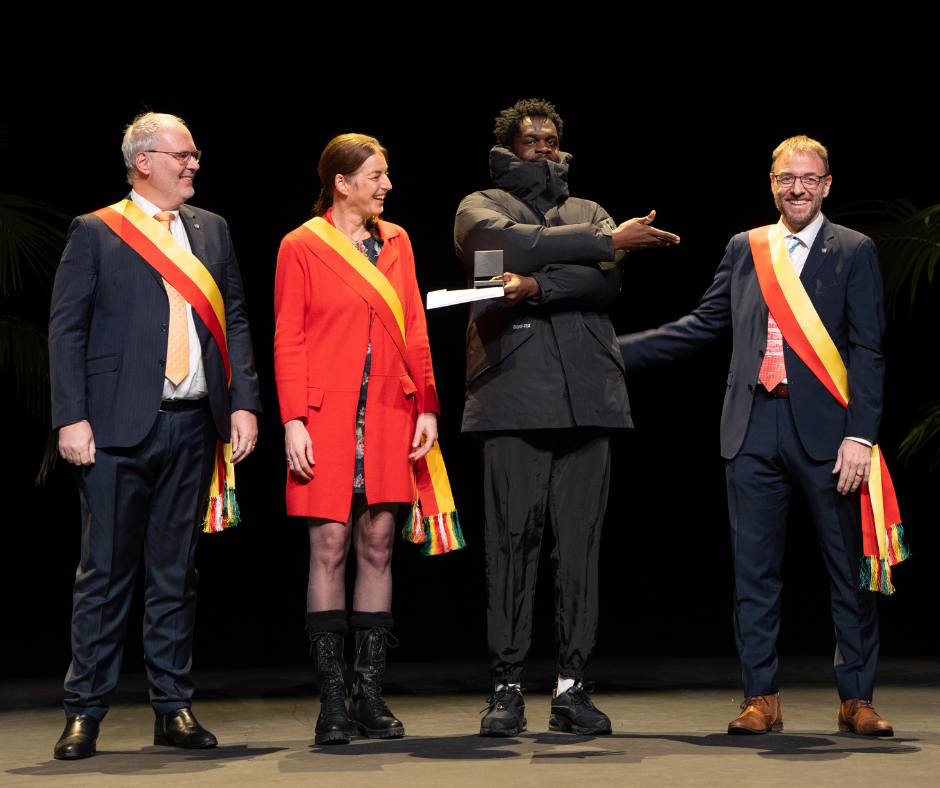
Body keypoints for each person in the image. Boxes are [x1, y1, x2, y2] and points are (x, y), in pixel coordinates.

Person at [619, 135, 898, 736]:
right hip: (750, 428)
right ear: (771, 184)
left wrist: (861, 437)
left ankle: (856, 699)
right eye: (786, 178)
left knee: (847, 570)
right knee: (754, 573)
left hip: (830, 436)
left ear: (827, 185)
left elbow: (869, 352)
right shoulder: (746, 247)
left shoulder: (855, 249)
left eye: (809, 178)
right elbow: (701, 325)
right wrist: (611, 354)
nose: (797, 188)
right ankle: (760, 698)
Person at [454, 98, 680, 737]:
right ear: (509, 147)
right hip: (512, 395)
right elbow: (503, 246)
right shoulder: (478, 205)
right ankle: (506, 688)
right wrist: (604, 243)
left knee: (580, 547)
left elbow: (604, 284)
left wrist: (536, 285)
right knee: (511, 544)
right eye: (532, 139)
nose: (544, 147)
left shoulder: (587, 208)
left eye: (552, 138)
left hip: (588, 393)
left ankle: (572, 688)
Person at [48, 112, 261, 759]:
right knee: (105, 576)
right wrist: (70, 417)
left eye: (195, 155)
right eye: (182, 155)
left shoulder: (212, 228)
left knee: (175, 575)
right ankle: (85, 711)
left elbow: (235, 319)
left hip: (193, 424)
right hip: (115, 428)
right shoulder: (96, 230)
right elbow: (67, 330)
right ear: (143, 161)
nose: (194, 164)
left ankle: (173, 708)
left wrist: (244, 404)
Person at [274, 134, 443, 745]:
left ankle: (368, 695)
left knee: (378, 545)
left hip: (392, 412)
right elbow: (288, 336)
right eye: (376, 175)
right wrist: (293, 419)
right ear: (341, 183)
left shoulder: (397, 241)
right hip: (325, 416)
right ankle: (331, 702)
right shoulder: (300, 244)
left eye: (386, 174)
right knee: (329, 546)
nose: (386, 185)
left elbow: (415, 327)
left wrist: (428, 406)